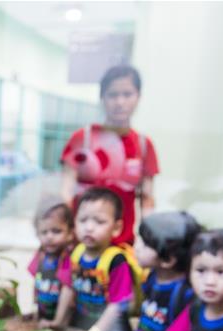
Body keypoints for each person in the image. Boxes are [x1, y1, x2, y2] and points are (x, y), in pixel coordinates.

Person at [61, 65, 158, 246]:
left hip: (122, 245)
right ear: (102, 98)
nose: (120, 102)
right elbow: (66, 193)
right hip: (82, 244)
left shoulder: (144, 145)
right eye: (113, 95)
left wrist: (151, 241)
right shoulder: (82, 138)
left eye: (127, 94)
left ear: (138, 97)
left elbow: (147, 200)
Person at [64, 188, 134, 331]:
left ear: (116, 227)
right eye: (83, 220)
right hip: (82, 323)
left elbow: (117, 305)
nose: (89, 227)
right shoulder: (76, 253)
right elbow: (69, 287)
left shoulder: (117, 261)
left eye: (99, 222)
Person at [132, 211, 201, 331]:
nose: (136, 247)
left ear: (168, 260)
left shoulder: (185, 294)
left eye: (145, 244)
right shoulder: (153, 275)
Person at [28, 201, 74, 328]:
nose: (49, 237)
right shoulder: (40, 254)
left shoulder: (67, 258)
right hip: (43, 312)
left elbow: (68, 290)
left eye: (56, 231)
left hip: (63, 319)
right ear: (37, 234)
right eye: (44, 232)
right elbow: (36, 280)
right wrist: (35, 309)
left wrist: (57, 321)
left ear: (70, 233)